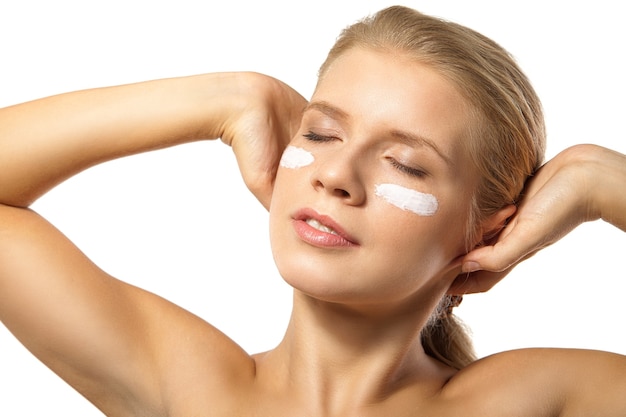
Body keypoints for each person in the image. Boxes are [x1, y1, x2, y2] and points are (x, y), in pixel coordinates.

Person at [0, 5, 625, 416]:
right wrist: (226, 98)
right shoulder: (192, 387)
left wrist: (601, 181)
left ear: (492, 231)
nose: (335, 176)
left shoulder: (534, 400)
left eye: (405, 164)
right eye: (321, 134)